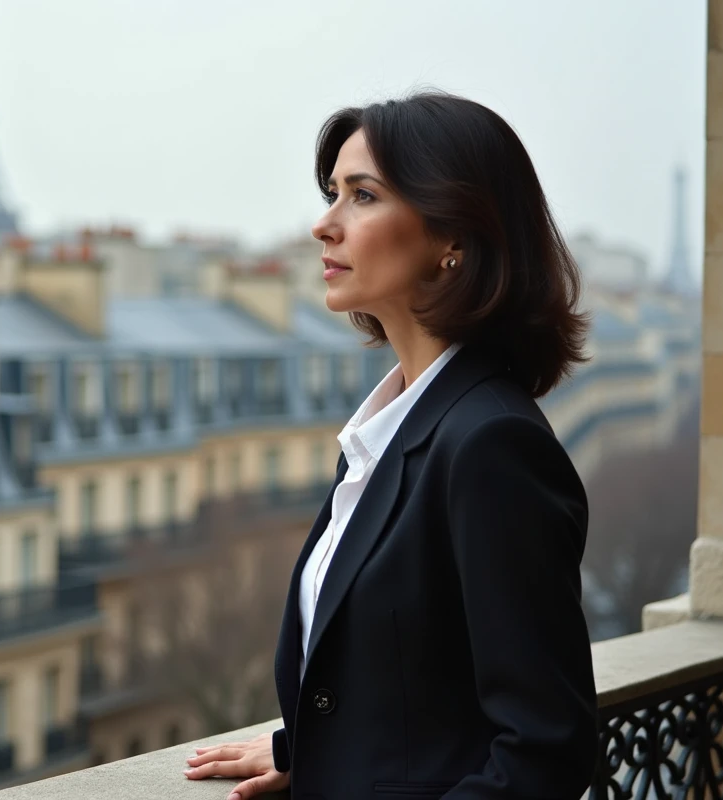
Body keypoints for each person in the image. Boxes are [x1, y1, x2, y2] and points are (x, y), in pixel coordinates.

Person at [183, 92, 598, 799]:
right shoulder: (396, 433)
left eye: (362, 196)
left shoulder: (489, 444)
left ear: (453, 237)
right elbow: (420, 674)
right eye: (331, 195)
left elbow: (545, 750)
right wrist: (307, 748)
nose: (323, 224)